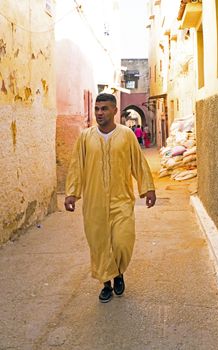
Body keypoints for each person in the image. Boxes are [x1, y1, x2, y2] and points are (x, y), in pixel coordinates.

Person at [64, 93, 156, 303]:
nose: (99, 113)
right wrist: (72, 193)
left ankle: (119, 273)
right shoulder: (85, 137)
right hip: (94, 202)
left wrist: (147, 188)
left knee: (122, 241)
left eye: (104, 108)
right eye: (97, 108)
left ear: (115, 111)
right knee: (99, 243)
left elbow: (138, 162)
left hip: (121, 199)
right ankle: (107, 283)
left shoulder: (127, 135)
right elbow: (77, 166)